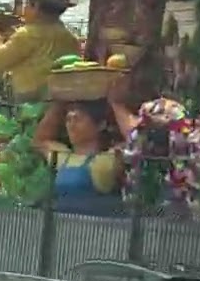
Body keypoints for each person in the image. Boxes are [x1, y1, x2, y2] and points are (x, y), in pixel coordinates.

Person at [32, 80, 138, 215]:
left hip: (97, 231)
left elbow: (135, 140)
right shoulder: (62, 158)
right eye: (68, 120)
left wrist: (115, 103)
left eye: (78, 119)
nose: (71, 125)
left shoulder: (109, 159)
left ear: (100, 125)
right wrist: (61, 101)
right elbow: (40, 140)